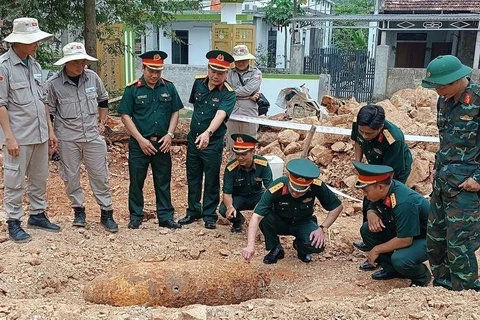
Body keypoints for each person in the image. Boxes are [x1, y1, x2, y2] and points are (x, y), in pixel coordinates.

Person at [45, 42, 117, 233]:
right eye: (76, 62)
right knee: (70, 176)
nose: (80, 66)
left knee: (100, 175)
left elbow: (103, 99)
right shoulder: (54, 84)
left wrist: (102, 122)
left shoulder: (92, 78)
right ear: (66, 63)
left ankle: (106, 213)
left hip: (93, 135)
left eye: (83, 61)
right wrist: (51, 135)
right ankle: (79, 211)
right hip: (67, 137)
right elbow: (49, 112)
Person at [422, 55, 480, 291]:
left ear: (457, 79)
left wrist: (478, 180)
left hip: (467, 187)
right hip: (444, 182)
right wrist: (436, 167)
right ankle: (443, 290)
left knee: (460, 243)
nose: (437, 91)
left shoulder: (477, 99)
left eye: (441, 86)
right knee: (435, 241)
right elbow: (445, 140)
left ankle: (464, 293)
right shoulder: (444, 101)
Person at [0, 17, 60, 243]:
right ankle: (14, 222)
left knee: (39, 178)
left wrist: (50, 130)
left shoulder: (34, 65)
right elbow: (1, 104)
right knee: (14, 179)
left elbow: (42, 100)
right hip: (18, 136)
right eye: (32, 40)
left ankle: (37, 214)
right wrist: (9, 137)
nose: (36, 44)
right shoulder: (4, 66)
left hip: (40, 133)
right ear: (18, 41)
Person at [119, 50, 183, 229]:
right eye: (151, 70)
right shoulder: (133, 89)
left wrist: (170, 135)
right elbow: (125, 115)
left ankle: (165, 217)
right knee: (136, 181)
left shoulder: (168, 87)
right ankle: (136, 215)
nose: (155, 75)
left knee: (163, 181)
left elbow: (176, 111)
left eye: (158, 71)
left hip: (162, 143)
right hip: (140, 144)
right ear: (143, 67)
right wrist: (140, 140)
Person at [242, 158, 343, 264]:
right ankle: (276, 249)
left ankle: (300, 247)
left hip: (303, 222)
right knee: (265, 217)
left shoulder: (317, 185)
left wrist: (322, 228)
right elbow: (256, 216)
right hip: (280, 221)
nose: (295, 194)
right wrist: (250, 245)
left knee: (317, 245)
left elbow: (337, 207)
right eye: (293, 190)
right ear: (289, 181)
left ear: (309, 186)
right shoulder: (277, 186)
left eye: (300, 192)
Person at [177, 50, 236, 230]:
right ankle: (193, 210)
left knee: (211, 178)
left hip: (212, 142)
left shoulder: (228, 93)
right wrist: (198, 132)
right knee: (193, 176)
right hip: (193, 140)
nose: (216, 75)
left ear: (226, 74)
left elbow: (221, 114)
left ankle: (209, 215)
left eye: (220, 72)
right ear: (208, 68)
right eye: (213, 70)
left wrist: (208, 132)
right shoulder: (198, 83)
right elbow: (196, 108)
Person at [350, 104, 413, 267]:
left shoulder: (393, 138)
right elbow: (358, 140)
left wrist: (375, 193)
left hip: (394, 170)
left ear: (380, 127)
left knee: (384, 204)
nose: (365, 135)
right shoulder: (361, 124)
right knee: (368, 199)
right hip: (373, 165)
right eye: (362, 131)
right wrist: (358, 163)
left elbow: (389, 174)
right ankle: (369, 237)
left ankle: (385, 247)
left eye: (369, 133)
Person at [353, 161, 431, 287]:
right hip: (407, 232)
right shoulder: (385, 190)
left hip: (429, 237)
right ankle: (392, 269)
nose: (365, 195)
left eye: (366, 191)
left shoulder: (404, 202)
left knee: (400, 259)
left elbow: (405, 240)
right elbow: (374, 204)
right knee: (367, 229)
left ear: (380, 187)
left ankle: (421, 276)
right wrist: (371, 213)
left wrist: (376, 250)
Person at [219, 133, 273, 233]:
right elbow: (227, 194)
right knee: (223, 209)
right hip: (239, 197)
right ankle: (238, 221)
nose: (240, 158)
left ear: (253, 151)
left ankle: (265, 227)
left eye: (244, 154)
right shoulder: (231, 168)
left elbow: (270, 188)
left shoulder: (263, 164)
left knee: (272, 204)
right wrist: (230, 207)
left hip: (257, 195)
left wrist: (265, 204)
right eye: (237, 154)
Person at [226, 45, 262, 159]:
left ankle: (250, 173)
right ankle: (233, 172)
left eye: (243, 60)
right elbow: (226, 90)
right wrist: (248, 96)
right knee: (232, 143)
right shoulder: (229, 73)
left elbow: (248, 89)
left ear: (248, 59)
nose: (241, 62)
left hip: (249, 112)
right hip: (232, 112)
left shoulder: (256, 73)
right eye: (238, 60)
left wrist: (236, 93)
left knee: (249, 144)